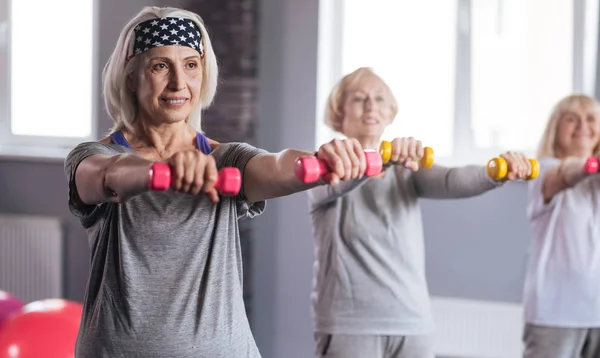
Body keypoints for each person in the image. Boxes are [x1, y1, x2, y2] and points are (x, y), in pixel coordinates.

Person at [64, 6, 369, 357]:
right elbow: (105, 176)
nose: (179, 82)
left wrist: (318, 162)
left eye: (191, 65)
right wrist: (160, 173)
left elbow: (276, 166)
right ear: (132, 76)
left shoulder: (226, 159)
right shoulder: (93, 155)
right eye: (161, 66)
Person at [307, 67, 534, 358]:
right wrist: (384, 159)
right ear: (339, 113)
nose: (371, 105)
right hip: (350, 326)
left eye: (379, 99)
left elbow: (453, 180)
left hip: (412, 323)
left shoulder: (406, 171)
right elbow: (344, 178)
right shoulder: (323, 167)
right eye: (359, 99)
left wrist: (496, 173)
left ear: (390, 113)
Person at [523, 94, 600, 358]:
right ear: (555, 129)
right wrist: (592, 166)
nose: (583, 127)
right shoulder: (543, 170)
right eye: (571, 119)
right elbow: (567, 173)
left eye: (591, 119)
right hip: (555, 313)